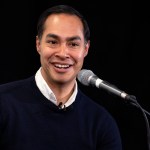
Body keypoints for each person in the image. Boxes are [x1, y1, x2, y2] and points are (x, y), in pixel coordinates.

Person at [0, 4, 122, 150]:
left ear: (86, 49)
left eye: (73, 44)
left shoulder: (101, 124)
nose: (63, 53)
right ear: (38, 44)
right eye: (53, 42)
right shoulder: (3, 102)